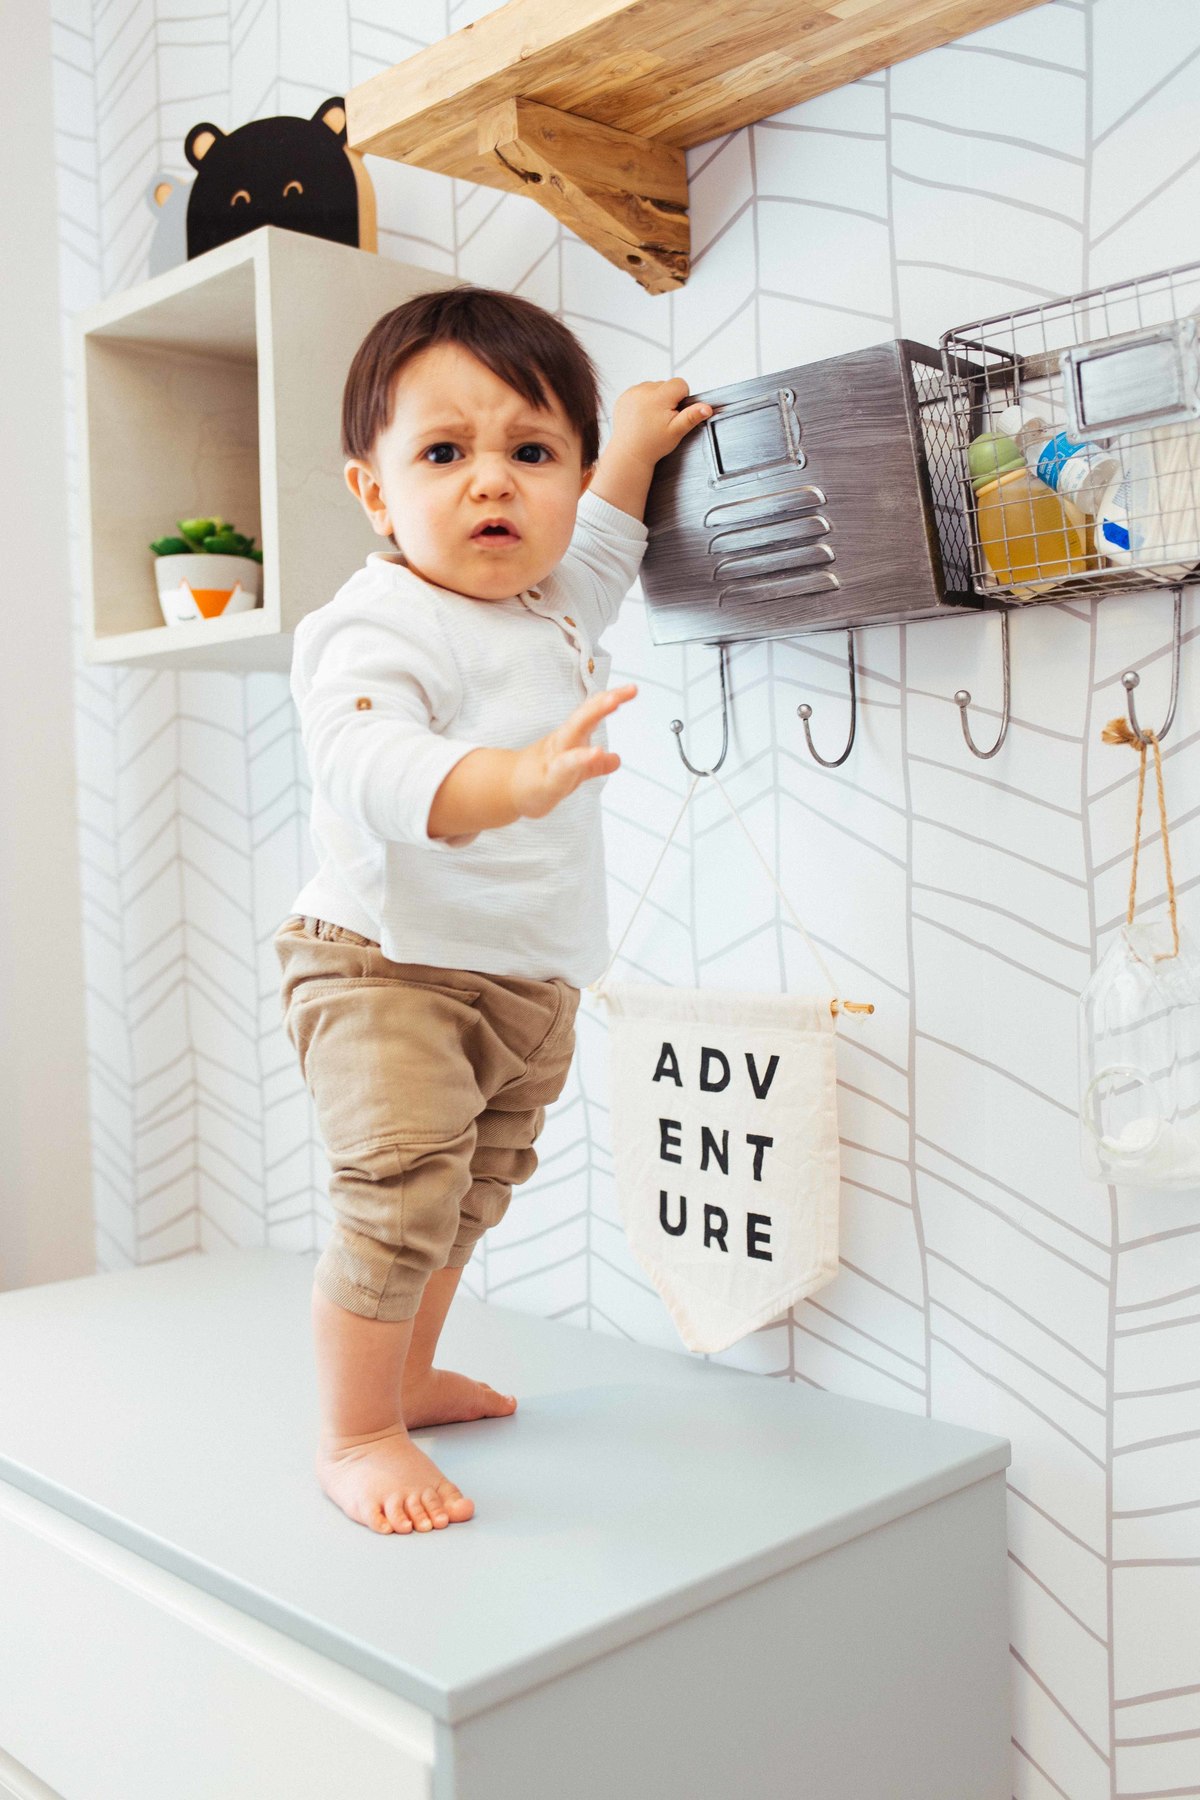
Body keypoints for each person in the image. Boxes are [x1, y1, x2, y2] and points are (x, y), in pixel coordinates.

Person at [274, 285, 711, 1535]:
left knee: (468, 1194)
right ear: (374, 493)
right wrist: (513, 781)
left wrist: (632, 445)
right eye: (444, 454)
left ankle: (407, 1376)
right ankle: (356, 1431)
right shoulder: (379, 622)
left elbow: (608, 545)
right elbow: (364, 762)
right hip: (384, 964)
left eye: (532, 452)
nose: (491, 483)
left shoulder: (553, 598)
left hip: (523, 978)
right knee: (400, 1193)